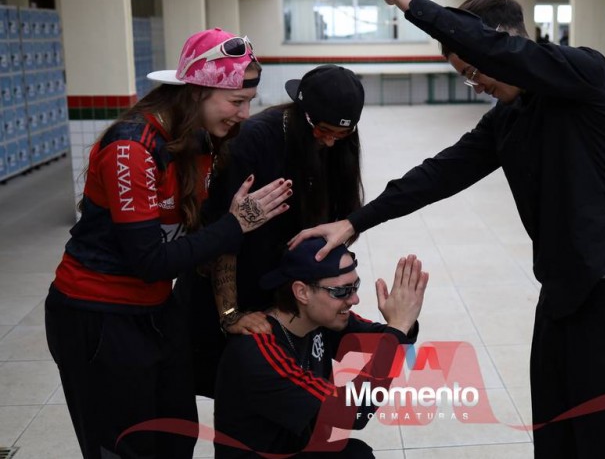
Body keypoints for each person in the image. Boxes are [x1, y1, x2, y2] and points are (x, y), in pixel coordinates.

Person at [291, 0, 605, 459]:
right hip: (559, 295)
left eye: (475, 70)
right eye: (466, 75)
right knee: (554, 440)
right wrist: (354, 222)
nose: (475, 84)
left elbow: (499, 52)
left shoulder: (584, 76)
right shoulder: (506, 120)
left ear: (502, 44)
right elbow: (439, 174)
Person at [44, 28, 294, 459]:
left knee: (176, 438)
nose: (245, 113)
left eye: (249, 101)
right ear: (196, 91)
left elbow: (193, 241)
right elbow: (151, 261)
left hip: (156, 311)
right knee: (126, 447)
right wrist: (236, 224)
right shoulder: (132, 147)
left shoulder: (201, 140)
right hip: (98, 317)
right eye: (236, 101)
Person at [179, 64, 366, 397]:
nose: (330, 141)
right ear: (303, 114)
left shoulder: (340, 142)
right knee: (240, 388)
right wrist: (230, 314)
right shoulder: (254, 140)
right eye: (323, 130)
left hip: (288, 288)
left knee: (301, 388)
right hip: (237, 281)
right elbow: (222, 235)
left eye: (341, 134)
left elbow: (339, 220)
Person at [214, 237, 427, 458]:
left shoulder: (321, 320)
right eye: (341, 291)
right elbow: (352, 412)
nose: (354, 299)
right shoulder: (259, 351)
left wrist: (403, 324)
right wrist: (397, 329)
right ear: (302, 292)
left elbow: (386, 340)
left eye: (355, 286)